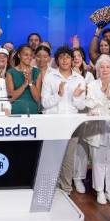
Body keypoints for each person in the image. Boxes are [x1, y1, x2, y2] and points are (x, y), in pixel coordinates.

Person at [41, 46, 86, 194]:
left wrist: (77, 96)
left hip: (71, 124)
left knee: (68, 159)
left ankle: (66, 189)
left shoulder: (79, 79)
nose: (65, 60)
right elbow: (45, 103)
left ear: (72, 60)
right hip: (53, 123)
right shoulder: (50, 77)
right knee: (51, 157)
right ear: (57, 60)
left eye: (67, 57)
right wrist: (59, 94)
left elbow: (80, 106)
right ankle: (50, 187)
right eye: (61, 57)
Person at [84, 55, 110, 205]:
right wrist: (102, 96)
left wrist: (109, 97)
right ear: (97, 70)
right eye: (101, 67)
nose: (105, 69)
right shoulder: (92, 85)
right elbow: (90, 104)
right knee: (98, 161)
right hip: (97, 128)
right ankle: (100, 191)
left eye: (108, 67)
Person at [70, 46, 94, 193]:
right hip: (71, 114)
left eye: (79, 55)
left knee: (82, 148)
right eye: (73, 56)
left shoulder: (89, 76)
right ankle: (67, 176)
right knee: (70, 147)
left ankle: (79, 178)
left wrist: (81, 78)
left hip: (84, 115)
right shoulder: (67, 74)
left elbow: (91, 96)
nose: (76, 58)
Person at [6, 45, 41, 115]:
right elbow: (11, 98)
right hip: (16, 112)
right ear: (19, 55)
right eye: (26, 55)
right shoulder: (10, 72)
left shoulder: (37, 72)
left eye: (31, 55)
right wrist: (24, 85)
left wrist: (30, 82)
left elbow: (37, 98)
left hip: (33, 112)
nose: (29, 57)